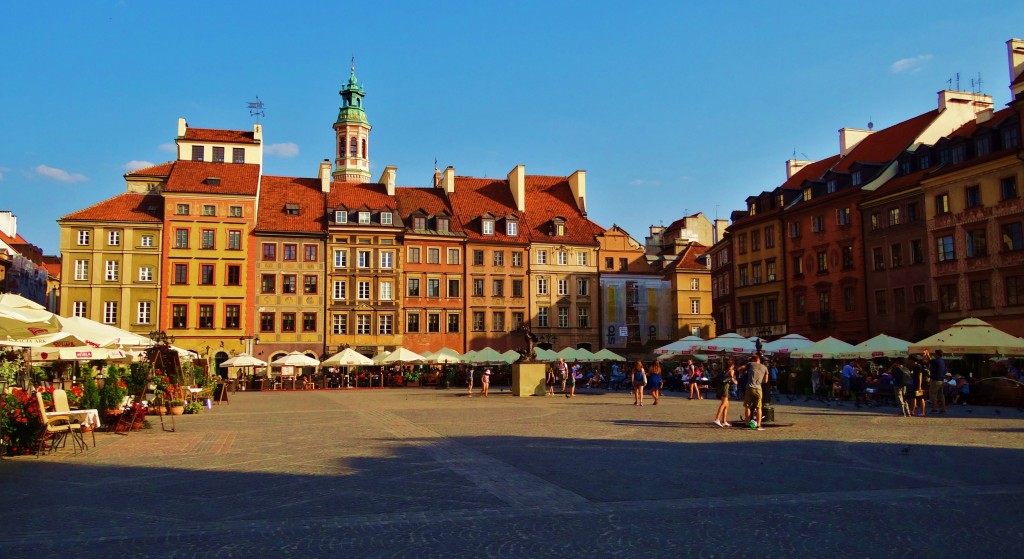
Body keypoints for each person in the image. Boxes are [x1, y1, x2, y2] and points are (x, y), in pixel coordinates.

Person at [743, 354, 769, 430]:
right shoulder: (765, 367)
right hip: (758, 389)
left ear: (753, 360)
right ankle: (758, 425)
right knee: (758, 407)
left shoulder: (750, 364)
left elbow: (740, 368)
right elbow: (766, 380)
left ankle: (747, 424)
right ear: (759, 359)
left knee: (747, 406)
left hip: (749, 388)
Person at [714, 359, 737, 427]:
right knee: (724, 403)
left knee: (727, 404)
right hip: (725, 387)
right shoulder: (731, 371)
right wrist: (735, 381)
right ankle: (717, 419)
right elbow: (731, 378)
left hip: (721, 387)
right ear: (732, 365)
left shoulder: (723, 371)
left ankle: (724, 421)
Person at [924, 349, 947, 414]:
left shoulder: (935, 361)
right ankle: (943, 408)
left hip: (935, 380)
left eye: (935, 353)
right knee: (941, 395)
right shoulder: (943, 361)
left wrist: (927, 355)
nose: (934, 355)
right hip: (941, 380)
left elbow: (929, 361)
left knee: (933, 394)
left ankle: (935, 408)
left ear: (937, 354)